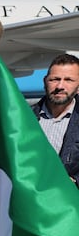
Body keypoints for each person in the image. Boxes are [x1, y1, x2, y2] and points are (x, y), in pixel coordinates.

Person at [32, 53, 79, 183]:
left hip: (70, 195)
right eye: (54, 79)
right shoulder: (25, 118)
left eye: (69, 80)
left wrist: (74, 181)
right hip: (29, 193)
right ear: (45, 81)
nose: (60, 86)